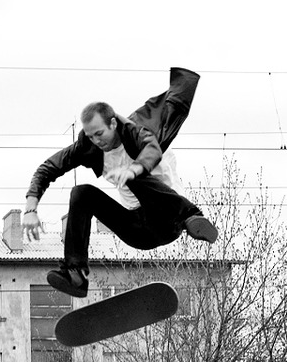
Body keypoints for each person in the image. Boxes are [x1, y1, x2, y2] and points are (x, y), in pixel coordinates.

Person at [22, 68, 217, 298]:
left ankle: (192, 216)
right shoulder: (88, 147)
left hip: (168, 219)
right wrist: (31, 209)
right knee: (81, 193)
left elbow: (151, 149)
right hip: (137, 230)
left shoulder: (137, 133)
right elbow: (47, 168)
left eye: (100, 134)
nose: (96, 141)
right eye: (91, 136)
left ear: (113, 124)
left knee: (133, 175)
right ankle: (75, 275)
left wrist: (134, 169)